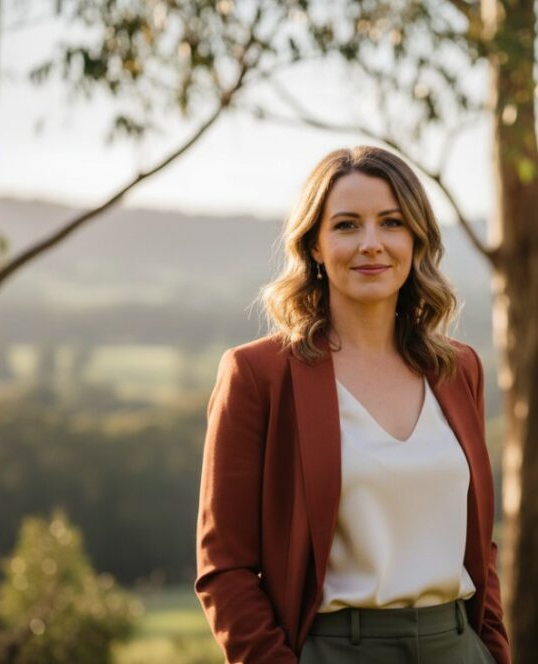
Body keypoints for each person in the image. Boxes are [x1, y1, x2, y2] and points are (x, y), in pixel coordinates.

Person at [195, 145, 511, 663]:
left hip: (457, 647)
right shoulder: (258, 375)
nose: (371, 244)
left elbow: (482, 547)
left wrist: (494, 651)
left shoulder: (459, 370)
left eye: (391, 222)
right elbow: (223, 568)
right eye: (346, 225)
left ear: (415, 239)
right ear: (315, 246)